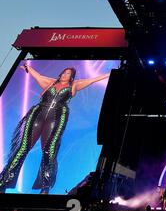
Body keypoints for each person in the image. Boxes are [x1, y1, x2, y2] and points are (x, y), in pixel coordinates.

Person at [0, 64, 110, 194]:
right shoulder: (50, 83)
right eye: (64, 73)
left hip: (57, 116)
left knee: (49, 149)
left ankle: (45, 187)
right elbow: (37, 75)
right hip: (38, 113)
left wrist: (110, 74)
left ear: (71, 77)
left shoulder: (74, 85)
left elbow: (93, 79)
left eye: (68, 74)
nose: (64, 75)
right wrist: (27, 68)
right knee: (23, 147)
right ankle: (4, 182)